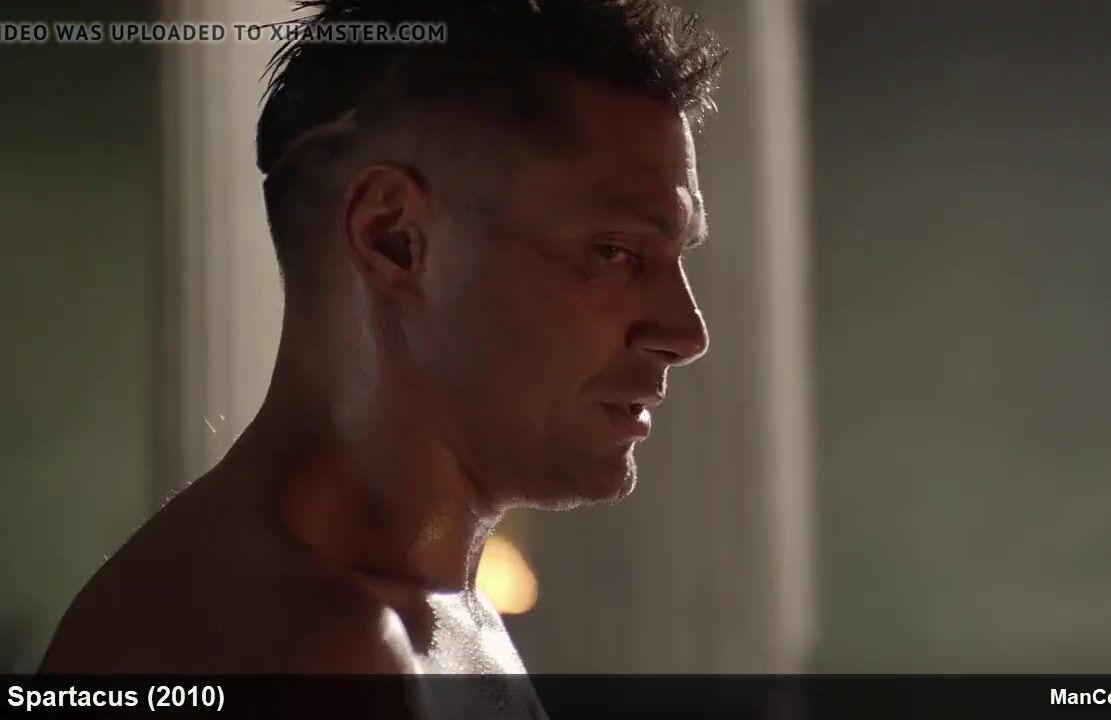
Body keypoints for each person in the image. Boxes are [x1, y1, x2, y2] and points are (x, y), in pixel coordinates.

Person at [38, 0, 723, 698]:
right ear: (394, 238)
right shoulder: (300, 652)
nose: (687, 333)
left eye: (677, 256)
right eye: (614, 251)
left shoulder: (430, 609)